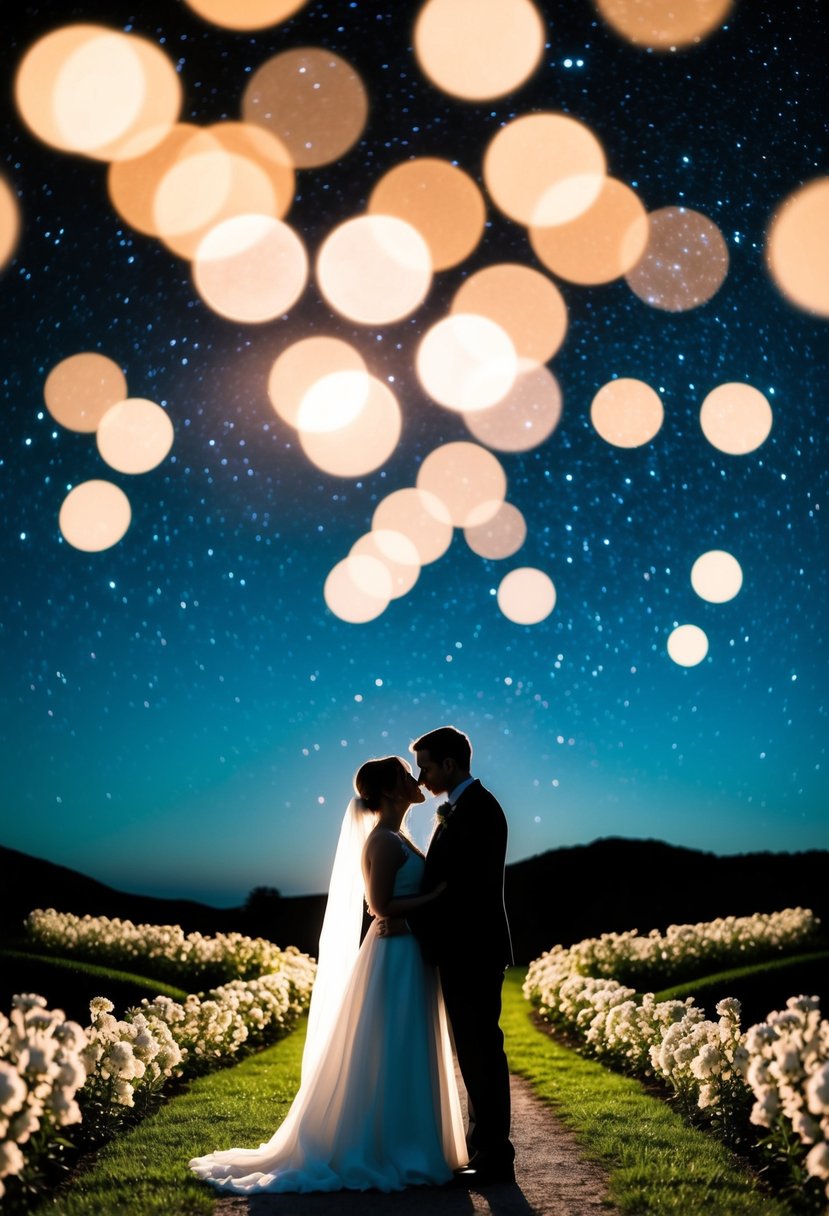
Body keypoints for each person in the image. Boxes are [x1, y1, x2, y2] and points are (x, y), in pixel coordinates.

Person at [189, 755, 466, 1194]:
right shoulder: (382, 842)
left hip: (407, 951)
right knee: (393, 1042)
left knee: (406, 1042)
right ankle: (391, 1148)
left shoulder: (399, 837)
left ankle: (411, 1141)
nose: (416, 779)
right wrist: (434, 896)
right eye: (404, 774)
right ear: (392, 790)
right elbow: (379, 907)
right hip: (393, 954)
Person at [392, 725, 515, 1186]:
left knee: (481, 1050)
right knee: (475, 1050)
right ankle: (485, 1149)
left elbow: (461, 891)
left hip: (472, 950)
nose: (421, 779)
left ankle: (495, 1157)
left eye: (425, 766)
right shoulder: (463, 807)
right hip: (465, 949)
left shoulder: (478, 810)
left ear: (449, 763)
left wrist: (413, 925)